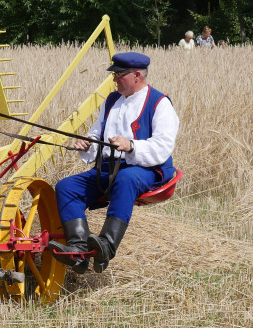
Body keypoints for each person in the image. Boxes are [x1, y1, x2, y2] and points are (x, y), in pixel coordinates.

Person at [52, 52, 179, 273]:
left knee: (126, 178)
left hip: (144, 169)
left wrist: (131, 145)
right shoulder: (111, 100)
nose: (114, 79)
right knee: (66, 187)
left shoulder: (160, 103)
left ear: (137, 75)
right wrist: (88, 142)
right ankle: (78, 250)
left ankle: (107, 246)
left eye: (119, 74)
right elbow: (97, 132)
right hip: (109, 168)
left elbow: (163, 145)